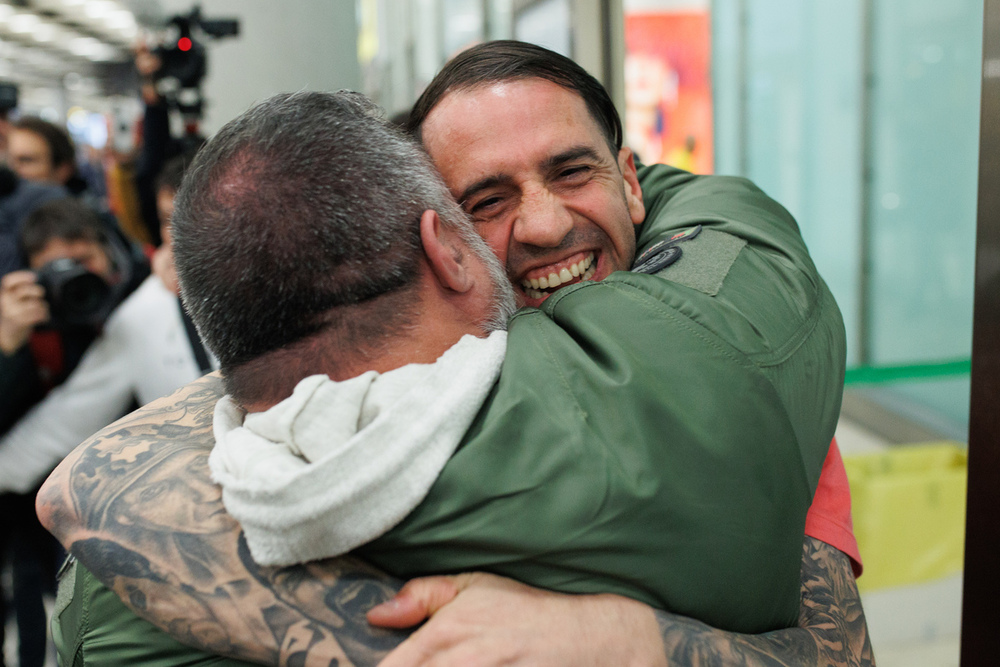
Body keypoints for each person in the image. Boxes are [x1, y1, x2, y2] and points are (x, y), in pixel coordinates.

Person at [39, 44, 868, 666]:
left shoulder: (715, 359)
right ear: (442, 240)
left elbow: (840, 649)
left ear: (631, 182)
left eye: (573, 171)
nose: (545, 225)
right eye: (490, 199)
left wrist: (624, 641)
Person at [0, 154, 213, 495]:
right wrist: (7, 349)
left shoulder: (300, 282)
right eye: (168, 221)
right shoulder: (143, 313)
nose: (183, 237)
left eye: (204, 218)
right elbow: (57, 427)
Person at [0, 197, 143, 667]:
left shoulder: (141, 299)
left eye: (84, 262)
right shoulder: (24, 325)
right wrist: (8, 348)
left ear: (110, 256)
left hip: (132, 498)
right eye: (56, 269)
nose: (77, 279)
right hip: (38, 512)